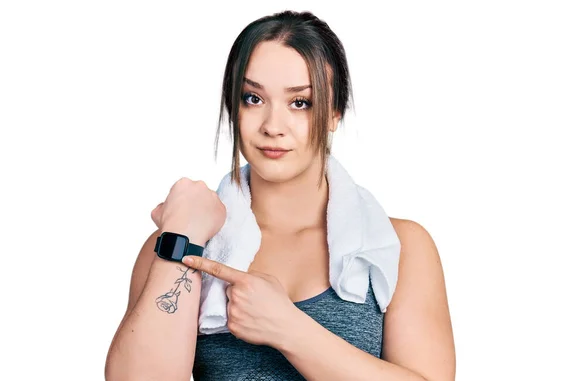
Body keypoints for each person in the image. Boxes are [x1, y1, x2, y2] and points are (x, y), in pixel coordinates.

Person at [105, 10, 455, 381]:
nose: (273, 126)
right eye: (253, 98)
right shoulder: (178, 243)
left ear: (335, 112)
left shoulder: (399, 247)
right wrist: (183, 236)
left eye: (300, 103)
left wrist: (288, 329)